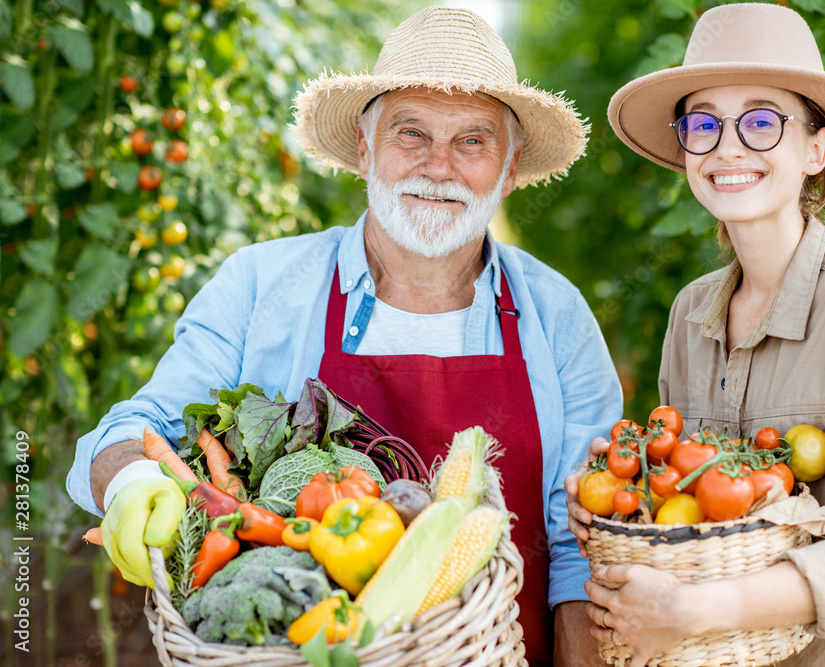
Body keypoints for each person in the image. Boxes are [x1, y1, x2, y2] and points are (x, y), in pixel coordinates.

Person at [67, 7, 622, 666]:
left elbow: (580, 552)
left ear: (509, 168)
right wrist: (130, 479)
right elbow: (130, 429)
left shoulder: (555, 315)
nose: (438, 165)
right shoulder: (259, 285)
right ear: (364, 147)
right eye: (410, 132)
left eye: (473, 141)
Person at [564, 4, 825, 666]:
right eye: (704, 123)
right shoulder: (691, 317)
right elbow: (693, 505)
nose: (729, 147)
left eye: (763, 122)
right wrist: (621, 495)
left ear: (815, 149)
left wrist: (700, 611)